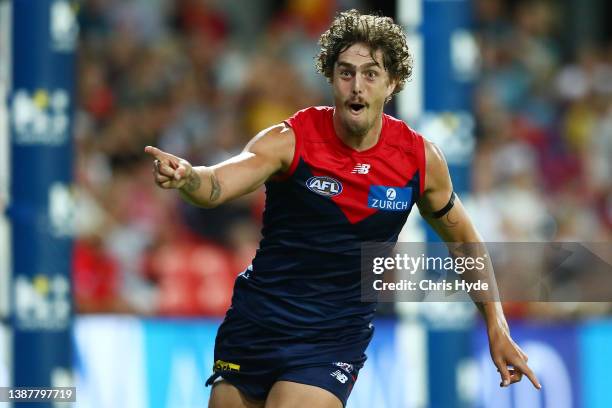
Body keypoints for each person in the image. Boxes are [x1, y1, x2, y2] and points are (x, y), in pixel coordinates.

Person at [145, 9, 541, 408]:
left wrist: (496, 325)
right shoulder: (290, 140)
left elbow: (465, 244)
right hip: (258, 322)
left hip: (333, 337)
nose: (357, 86)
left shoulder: (420, 160)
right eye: (346, 72)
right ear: (331, 77)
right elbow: (216, 184)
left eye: (371, 74)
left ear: (393, 84)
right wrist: (188, 177)